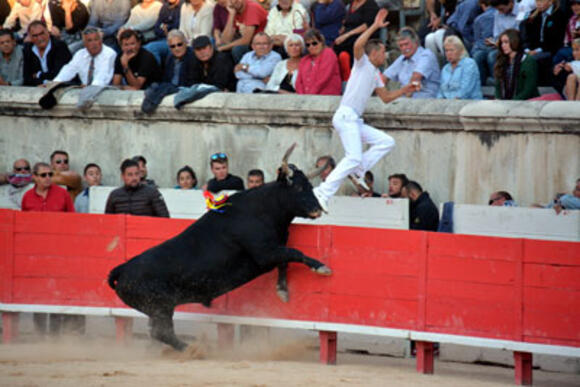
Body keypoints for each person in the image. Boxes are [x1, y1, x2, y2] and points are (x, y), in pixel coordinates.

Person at [312, 9, 409, 212]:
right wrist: (374, 26)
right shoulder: (363, 63)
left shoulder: (375, 73)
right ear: (373, 54)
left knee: (386, 142)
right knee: (353, 157)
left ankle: (359, 170)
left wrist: (407, 89)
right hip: (346, 116)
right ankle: (322, 192)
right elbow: (358, 45)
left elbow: (386, 98)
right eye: (383, 52)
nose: (386, 55)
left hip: (355, 120)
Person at [21, 161, 80, 337]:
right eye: (43, 175)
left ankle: (55, 335)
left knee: (56, 291)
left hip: (58, 252)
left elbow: (72, 222)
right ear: (34, 177)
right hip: (36, 252)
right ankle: (40, 334)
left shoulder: (62, 194)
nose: (48, 178)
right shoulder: (27, 197)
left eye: (50, 175)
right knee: (37, 291)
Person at [382, 27, 441, 100]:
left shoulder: (426, 55)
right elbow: (383, 78)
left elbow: (415, 79)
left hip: (426, 101)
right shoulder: (402, 58)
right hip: (406, 100)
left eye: (406, 44)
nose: (404, 48)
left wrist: (401, 99)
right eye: (401, 45)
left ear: (415, 43)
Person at [520, 0, 567, 85]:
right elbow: (527, 36)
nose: (539, 4)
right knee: (519, 56)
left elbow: (556, 40)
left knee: (531, 59)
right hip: (533, 49)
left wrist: (537, 50)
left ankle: (530, 86)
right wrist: (527, 49)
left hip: (550, 49)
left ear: (550, 1)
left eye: (541, 1)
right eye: (537, 1)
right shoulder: (533, 15)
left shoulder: (559, 15)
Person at [53, 26, 117, 86]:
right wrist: (54, 83)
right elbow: (68, 70)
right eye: (90, 40)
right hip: (85, 90)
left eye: (96, 39)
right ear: (84, 44)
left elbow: (102, 78)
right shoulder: (80, 54)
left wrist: (89, 88)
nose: (93, 43)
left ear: (101, 41)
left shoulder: (110, 54)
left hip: (104, 91)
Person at [105, 158, 169, 217]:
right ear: (122, 176)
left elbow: (164, 218)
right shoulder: (114, 195)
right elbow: (108, 221)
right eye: (130, 175)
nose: (134, 178)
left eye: (136, 174)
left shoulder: (152, 192)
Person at [333, 0, 379, 78]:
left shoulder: (371, 4)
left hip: (362, 36)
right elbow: (347, 22)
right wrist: (342, 30)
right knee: (335, 43)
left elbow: (366, 26)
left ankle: (348, 75)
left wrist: (347, 35)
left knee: (344, 45)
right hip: (348, 35)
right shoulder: (351, 4)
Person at [22, 20, 72, 86]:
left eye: (42, 33)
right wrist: (39, 84)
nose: (39, 38)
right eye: (35, 36)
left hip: (60, 87)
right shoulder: (28, 49)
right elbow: (27, 77)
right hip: (38, 88)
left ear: (48, 32)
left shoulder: (59, 46)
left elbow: (59, 73)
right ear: (30, 37)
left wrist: (38, 74)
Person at [494, 28, 539, 99]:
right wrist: (498, 100)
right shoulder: (501, 60)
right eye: (502, 43)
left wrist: (513, 103)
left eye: (506, 42)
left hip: (527, 102)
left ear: (514, 41)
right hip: (506, 102)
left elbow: (529, 89)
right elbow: (498, 86)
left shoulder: (528, 61)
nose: (503, 45)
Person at [295, 29, 341, 95]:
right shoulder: (304, 60)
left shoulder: (328, 53)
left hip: (327, 98)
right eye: (308, 45)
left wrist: (309, 95)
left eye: (314, 43)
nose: (311, 46)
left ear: (321, 42)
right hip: (306, 99)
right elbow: (298, 82)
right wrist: (302, 96)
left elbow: (323, 78)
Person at [471, 0, 497, 85]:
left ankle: (482, 84)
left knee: (478, 55)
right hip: (492, 46)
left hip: (496, 46)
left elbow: (477, 40)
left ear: (482, 5)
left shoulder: (479, 19)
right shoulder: (480, 19)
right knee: (480, 55)